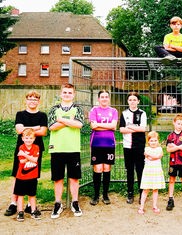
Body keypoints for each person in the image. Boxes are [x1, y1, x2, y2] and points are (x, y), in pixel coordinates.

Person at [4, 91, 47, 217]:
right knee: (18, 175)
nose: (32, 101)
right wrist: (36, 128)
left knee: (32, 175)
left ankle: (29, 205)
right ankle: (13, 203)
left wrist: (28, 129)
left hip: (36, 150)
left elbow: (43, 131)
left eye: (35, 99)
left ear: (39, 101)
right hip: (21, 150)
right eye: (30, 99)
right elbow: (19, 130)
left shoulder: (42, 115)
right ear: (26, 100)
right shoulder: (20, 114)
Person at [48, 83, 84, 219]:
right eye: (65, 92)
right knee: (58, 178)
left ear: (73, 94)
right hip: (57, 148)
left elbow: (79, 124)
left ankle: (75, 202)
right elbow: (51, 126)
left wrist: (62, 119)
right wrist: (70, 121)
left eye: (70, 92)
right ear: (61, 93)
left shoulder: (77, 108)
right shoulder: (54, 109)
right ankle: (58, 203)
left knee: (74, 177)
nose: (67, 94)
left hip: (73, 148)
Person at [89, 90, 118, 206]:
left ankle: (105, 195)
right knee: (98, 168)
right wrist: (107, 127)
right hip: (96, 143)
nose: (104, 99)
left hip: (109, 143)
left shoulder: (114, 111)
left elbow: (114, 126)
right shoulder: (94, 110)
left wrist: (99, 125)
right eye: (102, 97)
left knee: (106, 168)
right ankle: (96, 195)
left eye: (106, 97)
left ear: (109, 98)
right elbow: (93, 126)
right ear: (99, 99)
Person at [119, 92, 147, 204]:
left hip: (139, 146)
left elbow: (143, 129)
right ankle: (130, 193)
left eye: (134, 99)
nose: (132, 102)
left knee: (140, 170)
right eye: (130, 100)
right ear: (128, 101)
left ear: (138, 101)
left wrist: (129, 126)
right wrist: (135, 127)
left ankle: (141, 193)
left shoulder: (142, 113)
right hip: (127, 146)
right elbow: (121, 129)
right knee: (129, 170)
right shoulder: (124, 113)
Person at [14, 128, 42, 221]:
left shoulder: (36, 147)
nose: (28, 140)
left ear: (34, 139)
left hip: (32, 176)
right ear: (22, 138)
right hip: (21, 176)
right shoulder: (21, 147)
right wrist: (30, 157)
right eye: (26, 138)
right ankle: (20, 212)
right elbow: (21, 161)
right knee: (20, 195)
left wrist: (25, 155)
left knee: (32, 195)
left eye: (30, 138)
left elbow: (35, 160)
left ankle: (33, 211)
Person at [165, 114, 182, 211]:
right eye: (178, 123)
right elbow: (168, 149)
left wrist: (174, 147)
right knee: (171, 180)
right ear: (174, 123)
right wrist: (179, 147)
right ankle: (170, 200)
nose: (180, 125)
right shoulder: (170, 136)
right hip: (173, 162)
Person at [138, 131, 165, 215]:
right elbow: (150, 157)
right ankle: (141, 207)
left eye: (155, 140)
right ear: (148, 141)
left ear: (158, 141)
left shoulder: (160, 149)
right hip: (148, 172)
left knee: (155, 189)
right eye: (151, 140)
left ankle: (154, 206)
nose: (153, 142)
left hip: (156, 172)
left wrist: (155, 157)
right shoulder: (146, 149)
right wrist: (155, 157)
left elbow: (158, 156)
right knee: (145, 190)